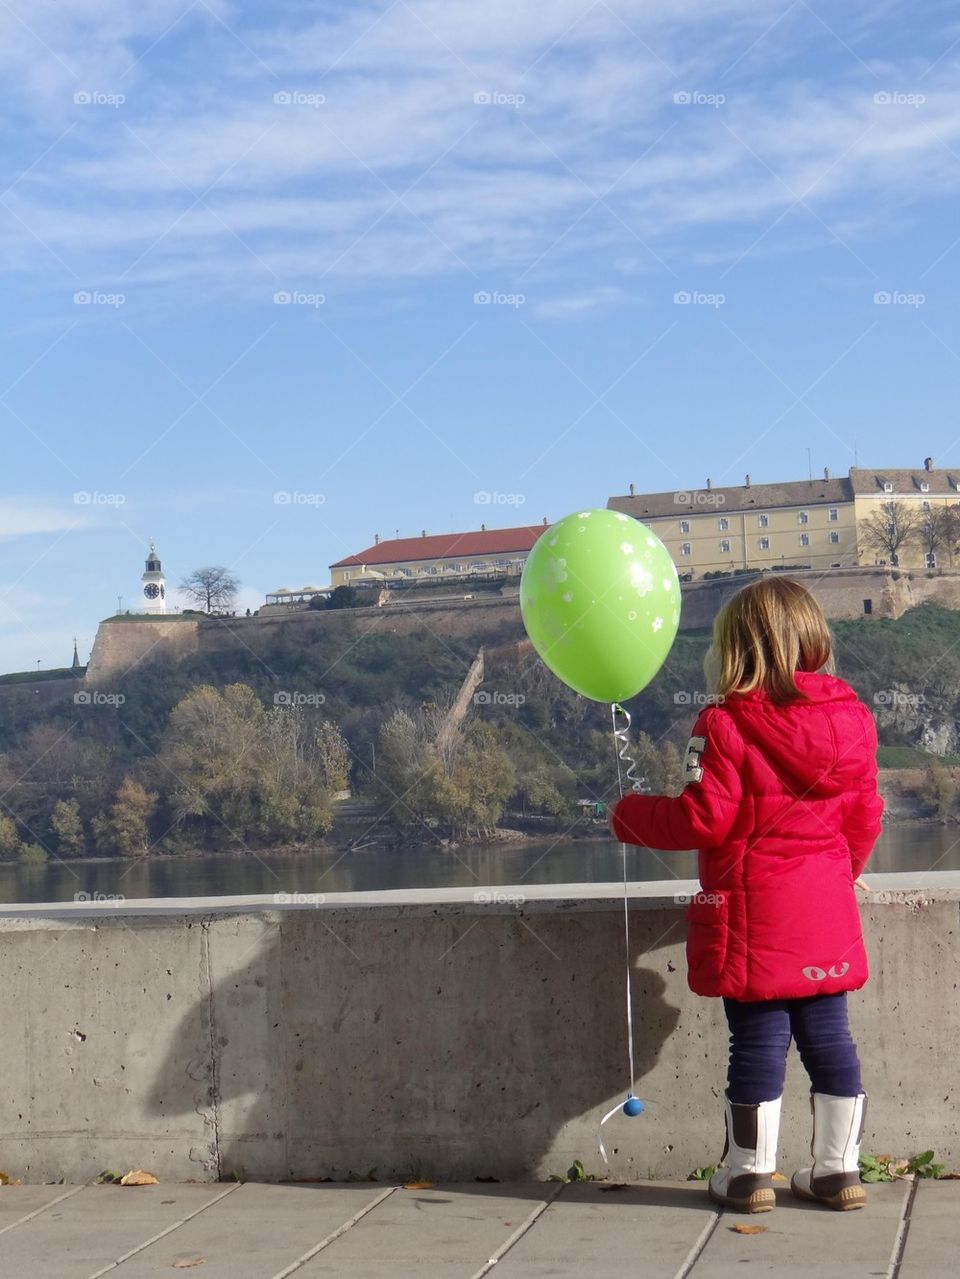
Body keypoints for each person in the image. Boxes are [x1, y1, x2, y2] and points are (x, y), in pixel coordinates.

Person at [608, 576, 883, 1214]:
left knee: (757, 1041)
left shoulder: (723, 721)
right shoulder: (854, 717)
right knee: (831, 1038)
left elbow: (702, 819)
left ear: (736, 646)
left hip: (755, 914)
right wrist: (849, 869)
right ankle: (839, 1173)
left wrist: (628, 816)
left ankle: (748, 1175)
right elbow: (867, 813)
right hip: (826, 909)